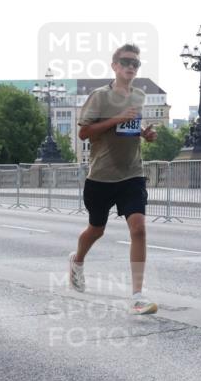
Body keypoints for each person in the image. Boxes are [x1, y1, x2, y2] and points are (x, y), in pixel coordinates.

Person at [68, 43, 160, 315]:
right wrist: (117, 118)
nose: (131, 66)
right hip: (101, 175)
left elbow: (131, 125)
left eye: (136, 63)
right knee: (96, 229)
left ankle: (137, 296)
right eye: (126, 61)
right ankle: (77, 261)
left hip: (132, 173)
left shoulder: (139, 95)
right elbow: (84, 133)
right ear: (115, 66)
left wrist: (145, 133)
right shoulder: (99, 96)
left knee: (139, 228)